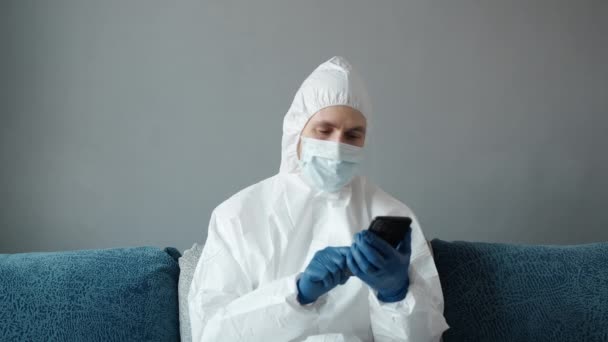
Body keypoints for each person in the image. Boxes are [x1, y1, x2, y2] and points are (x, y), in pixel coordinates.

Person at [188, 56, 449, 341]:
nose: (337, 147)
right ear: (297, 130)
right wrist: (296, 293)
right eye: (324, 130)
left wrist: (396, 295)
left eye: (352, 135)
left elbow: (427, 338)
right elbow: (211, 333)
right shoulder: (238, 216)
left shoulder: (391, 212)